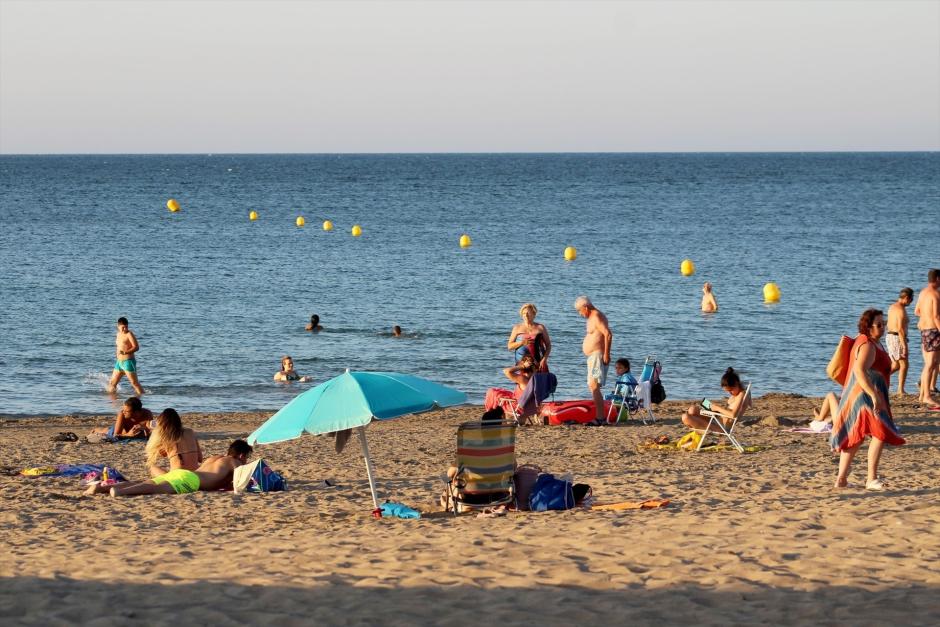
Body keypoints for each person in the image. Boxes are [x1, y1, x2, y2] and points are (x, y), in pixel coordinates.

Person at [830, 309, 905, 489]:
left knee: (856, 435)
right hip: (866, 396)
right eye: (879, 324)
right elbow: (859, 370)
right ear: (868, 327)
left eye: (884, 323)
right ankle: (871, 478)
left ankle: (841, 479)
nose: (883, 327)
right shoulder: (868, 345)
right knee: (880, 432)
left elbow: (877, 371)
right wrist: (873, 396)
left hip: (865, 394)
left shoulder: (873, 343)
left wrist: (894, 365)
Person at [105, 440, 252, 496]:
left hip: (183, 474)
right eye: (246, 458)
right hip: (191, 480)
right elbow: (244, 482)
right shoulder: (235, 462)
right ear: (241, 455)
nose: (246, 461)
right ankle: (117, 491)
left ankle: (100, 488)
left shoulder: (216, 458)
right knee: (154, 489)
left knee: (147, 483)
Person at [575, 296, 612, 424]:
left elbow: (608, 334)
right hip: (593, 356)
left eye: (580, 311)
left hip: (597, 355)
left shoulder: (596, 316)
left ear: (586, 307)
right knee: (593, 386)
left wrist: (607, 354)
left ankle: (600, 418)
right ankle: (599, 417)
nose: (580, 314)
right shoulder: (592, 317)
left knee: (594, 385)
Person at [681, 367, 750, 433]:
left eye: (731, 390)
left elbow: (733, 415)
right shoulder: (737, 393)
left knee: (685, 417)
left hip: (722, 427)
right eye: (727, 391)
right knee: (693, 409)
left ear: (737, 383)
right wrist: (714, 408)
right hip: (716, 419)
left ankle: (697, 430)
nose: (730, 393)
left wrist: (717, 407)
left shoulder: (742, 394)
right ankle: (697, 427)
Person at [145, 408, 203, 477]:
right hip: (194, 475)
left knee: (153, 468)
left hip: (176, 477)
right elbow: (200, 458)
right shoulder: (190, 432)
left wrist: (155, 430)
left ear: (162, 423)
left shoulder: (165, 437)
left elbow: (162, 454)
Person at [913, 269, 940, 407]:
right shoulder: (935, 294)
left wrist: (925, 316)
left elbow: (916, 311)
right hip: (933, 331)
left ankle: (923, 395)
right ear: (937, 279)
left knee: (930, 364)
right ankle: (927, 396)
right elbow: (936, 316)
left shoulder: (923, 293)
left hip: (924, 330)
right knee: (930, 364)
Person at [507, 303, 552, 372]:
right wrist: (522, 343)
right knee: (523, 382)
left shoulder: (540, 327)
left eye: (528, 313)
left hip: (539, 362)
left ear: (534, 314)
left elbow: (548, 345)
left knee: (541, 381)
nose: (526, 315)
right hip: (522, 363)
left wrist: (544, 359)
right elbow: (509, 346)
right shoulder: (517, 328)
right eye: (524, 313)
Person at [106, 317, 144, 396]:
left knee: (134, 383)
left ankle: (142, 399)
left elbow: (136, 347)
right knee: (112, 384)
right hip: (119, 363)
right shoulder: (118, 334)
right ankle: (112, 402)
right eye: (123, 327)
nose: (125, 329)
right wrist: (117, 355)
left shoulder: (129, 334)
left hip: (128, 362)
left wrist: (125, 352)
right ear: (118, 326)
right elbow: (119, 346)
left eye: (126, 327)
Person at [886, 287, 914, 396]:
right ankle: (900, 390)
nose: (911, 302)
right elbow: (900, 329)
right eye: (911, 300)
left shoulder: (893, 306)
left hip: (891, 336)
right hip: (897, 337)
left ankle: (879, 378)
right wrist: (905, 346)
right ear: (906, 298)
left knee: (896, 365)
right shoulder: (900, 310)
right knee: (904, 364)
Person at [88, 396, 153, 439]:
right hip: (118, 431)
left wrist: (144, 428)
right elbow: (115, 436)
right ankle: (95, 430)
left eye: (126, 411)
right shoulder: (122, 414)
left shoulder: (147, 414)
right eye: (123, 410)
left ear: (136, 412)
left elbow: (152, 431)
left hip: (127, 432)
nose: (123, 412)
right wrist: (129, 435)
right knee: (106, 432)